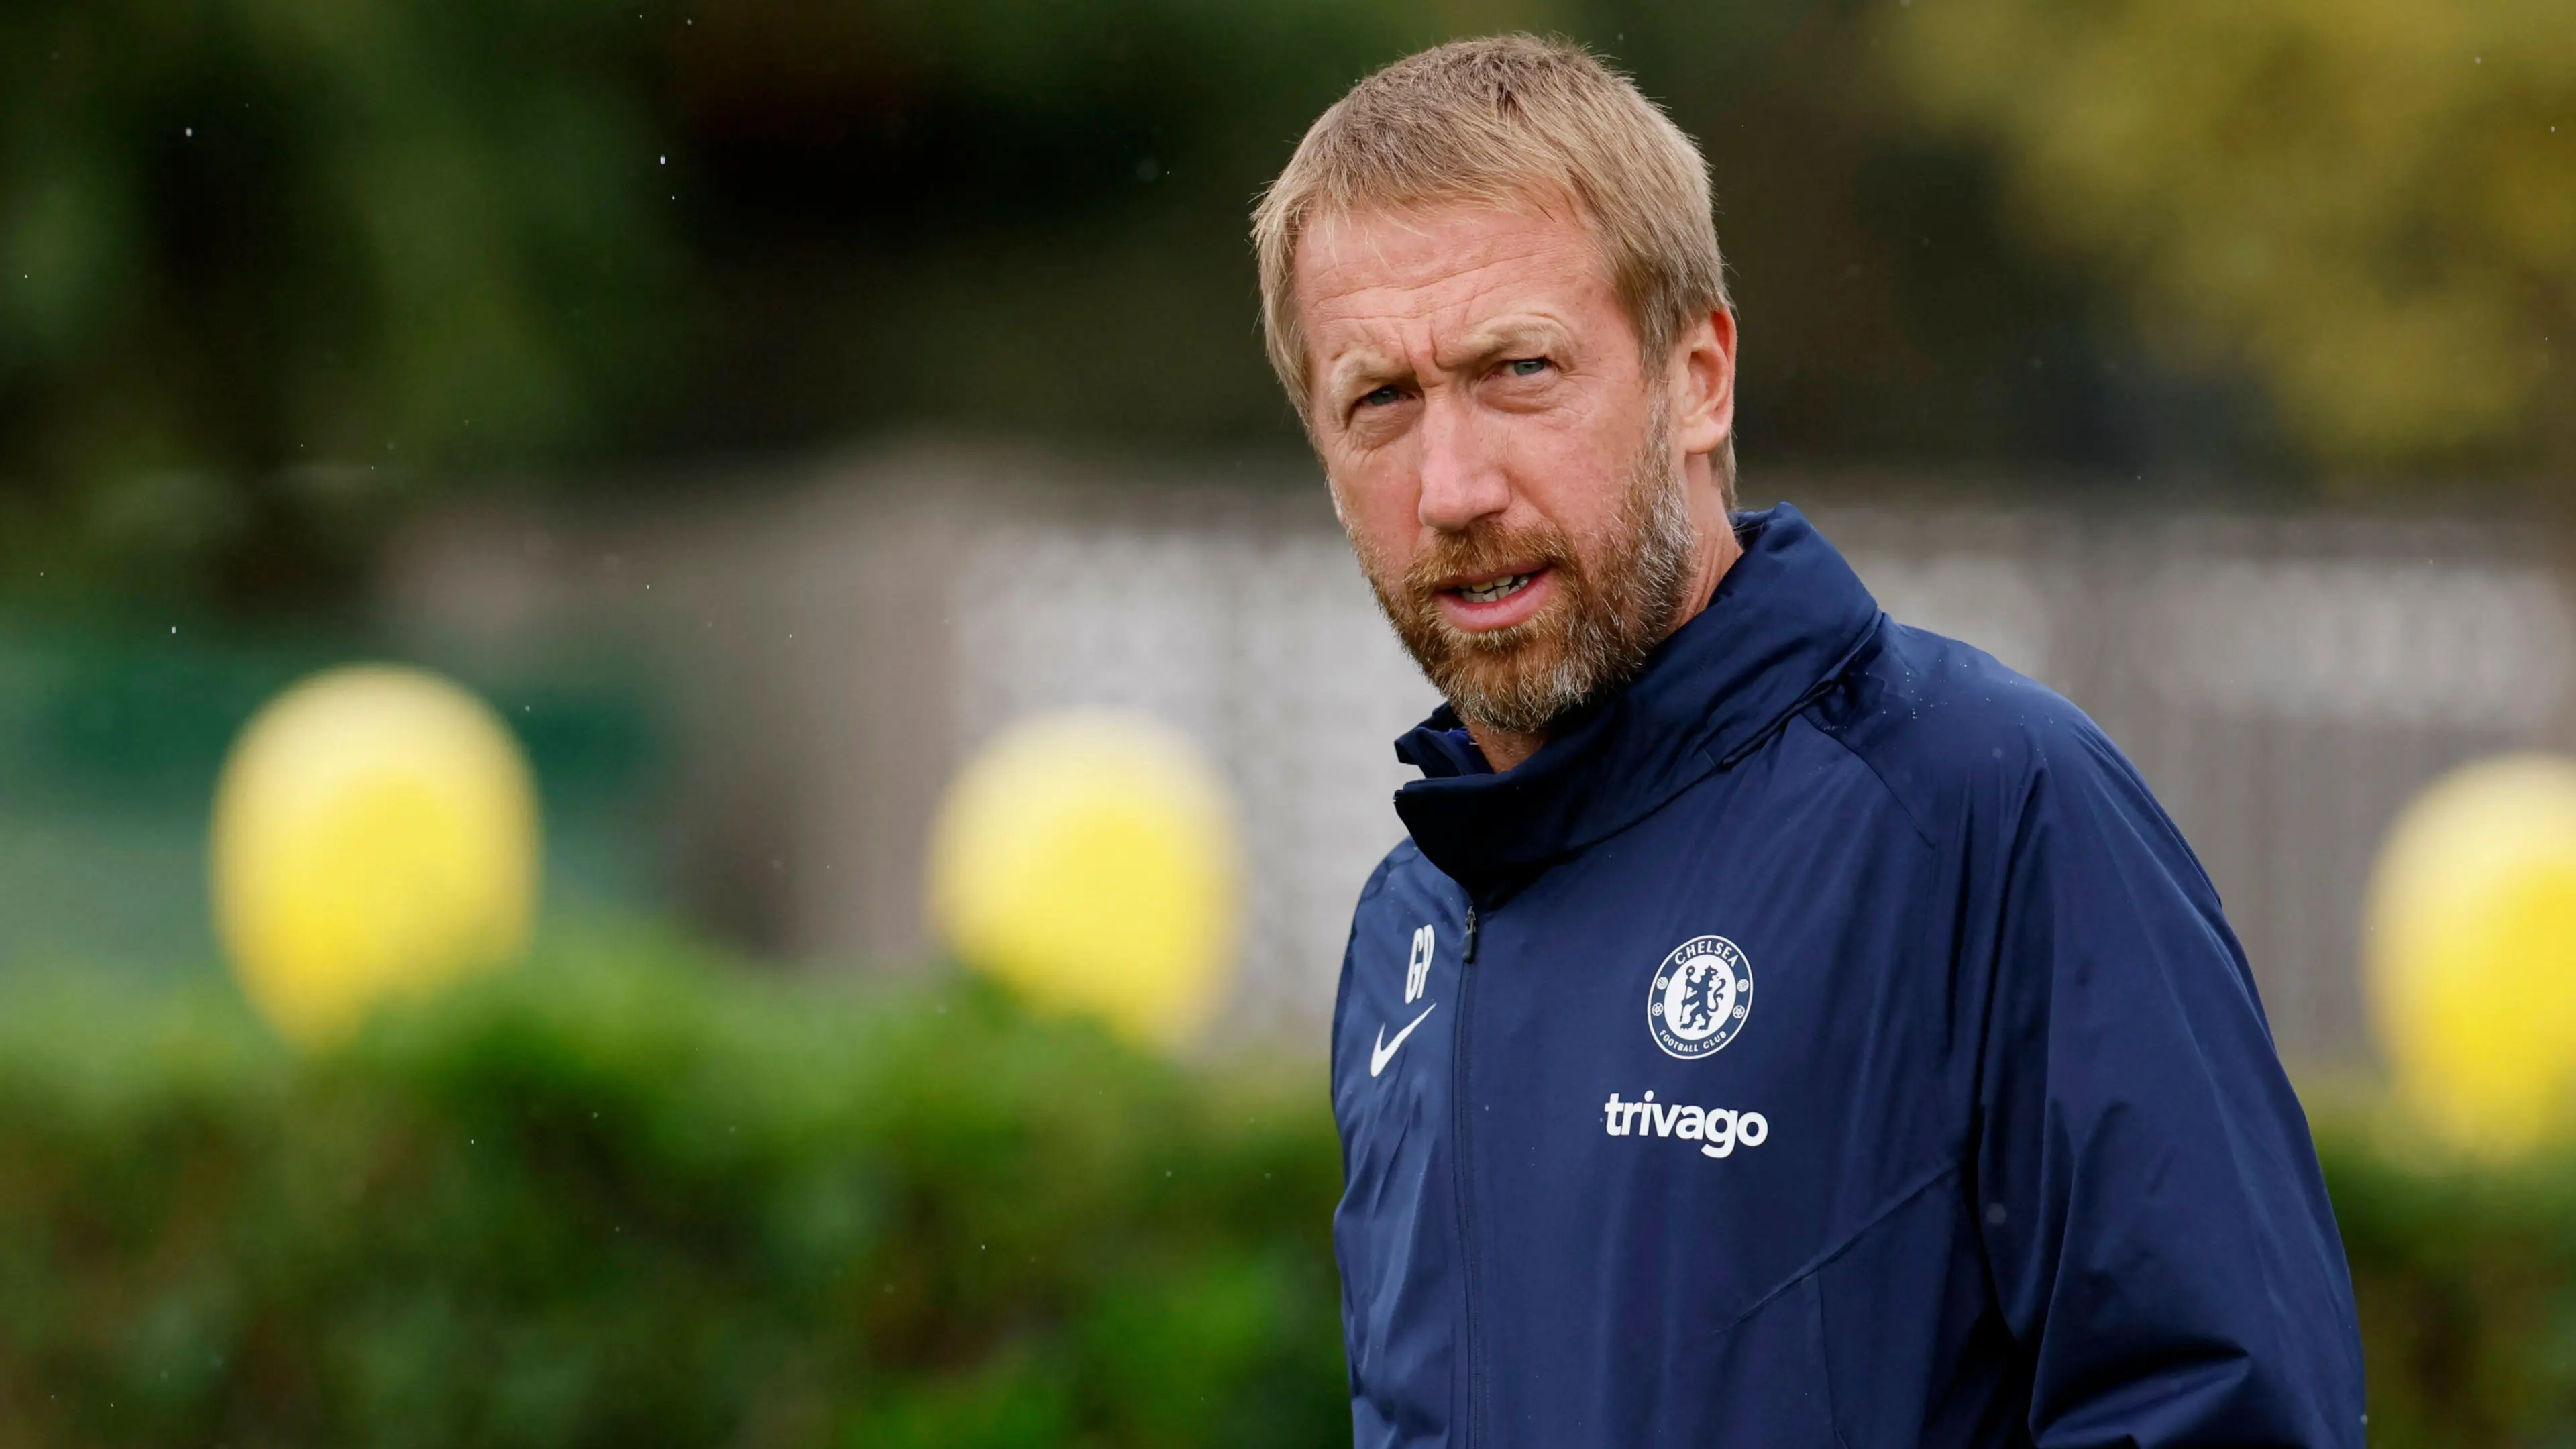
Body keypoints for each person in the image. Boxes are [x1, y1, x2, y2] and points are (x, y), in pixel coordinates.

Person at [1252, 34, 2365, 1447]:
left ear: (1698, 377)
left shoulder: (1989, 809)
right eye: (1381, 403)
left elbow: (2226, 1417)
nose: (1454, 486)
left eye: (1519, 368)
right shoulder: (1411, 928)